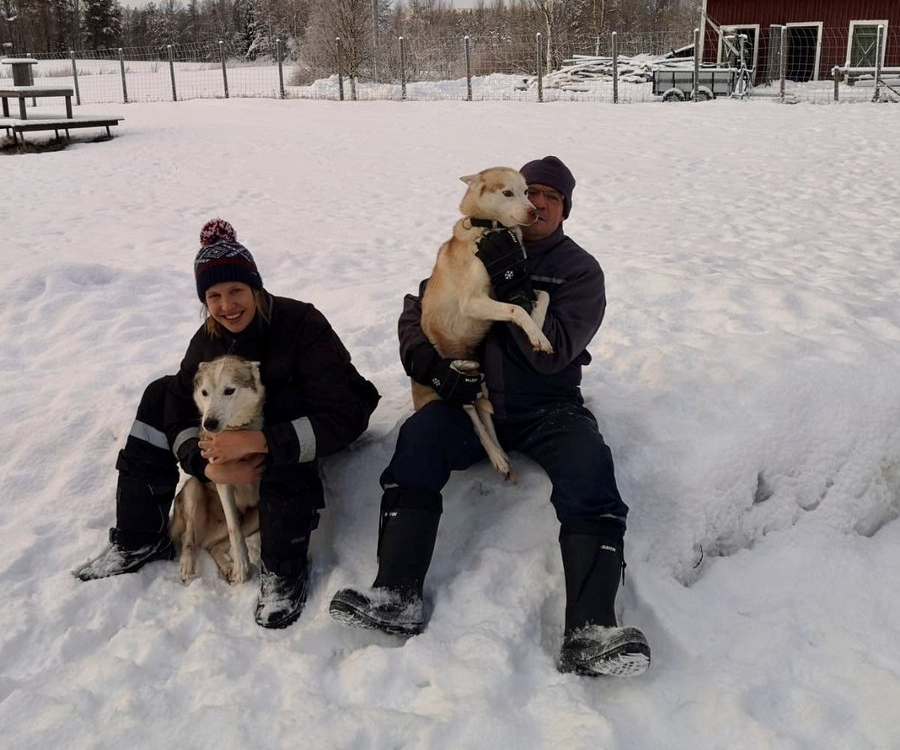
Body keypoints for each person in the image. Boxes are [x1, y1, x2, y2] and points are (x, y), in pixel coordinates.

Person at [329, 156, 650, 677]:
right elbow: (421, 307)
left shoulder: (579, 271)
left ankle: (591, 629)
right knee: (419, 441)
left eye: (551, 197)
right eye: (530, 191)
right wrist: (430, 364)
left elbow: (556, 351)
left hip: (546, 407)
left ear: (565, 210)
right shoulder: (471, 244)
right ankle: (396, 593)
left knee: (590, 471)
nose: (537, 203)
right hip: (468, 397)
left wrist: (515, 284)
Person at [76, 219, 380, 630]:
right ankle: (139, 538)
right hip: (247, 438)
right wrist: (205, 465)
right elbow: (180, 406)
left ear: (255, 287)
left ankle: (283, 569)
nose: (227, 305)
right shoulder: (208, 338)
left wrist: (261, 441)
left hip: (320, 423)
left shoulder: (302, 324)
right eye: (214, 296)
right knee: (158, 392)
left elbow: (344, 412)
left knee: (283, 403)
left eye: (236, 291)